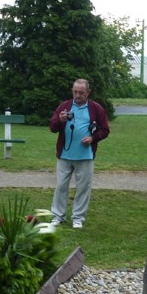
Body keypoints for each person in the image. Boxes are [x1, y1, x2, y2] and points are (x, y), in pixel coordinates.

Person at [48, 79, 110, 229]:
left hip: (85, 156)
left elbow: (105, 130)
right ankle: (58, 216)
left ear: (88, 92)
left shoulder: (96, 108)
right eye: (75, 92)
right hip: (64, 155)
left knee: (83, 188)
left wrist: (93, 138)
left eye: (81, 92)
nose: (78, 95)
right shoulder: (65, 106)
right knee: (61, 186)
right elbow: (52, 127)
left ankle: (78, 218)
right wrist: (60, 120)